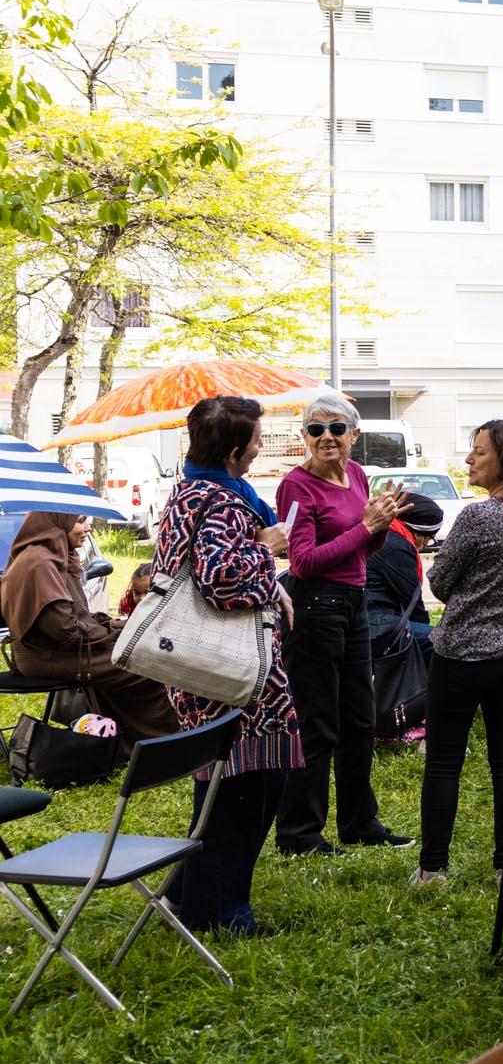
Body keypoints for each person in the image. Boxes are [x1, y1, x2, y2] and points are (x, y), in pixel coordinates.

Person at [155, 395, 302, 937]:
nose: (262, 448)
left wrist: (271, 583)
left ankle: (188, 893)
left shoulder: (189, 491)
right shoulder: (224, 502)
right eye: (258, 440)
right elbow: (221, 580)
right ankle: (219, 912)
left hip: (196, 663)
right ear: (234, 451)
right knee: (245, 789)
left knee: (225, 785)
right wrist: (267, 548)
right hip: (230, 669)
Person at [416, 419, 503, 887]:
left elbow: (440, 583)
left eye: (478, 451)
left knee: (444, 761)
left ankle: (433, 868)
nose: (469, 459)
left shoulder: (478, 517)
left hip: (460, 656)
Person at [275, 391, 410, 856]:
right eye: (316, 429)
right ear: (305, 436)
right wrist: (366, 528)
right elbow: (303, 562)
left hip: (354, 602)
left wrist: (380, 527)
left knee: (359, 719)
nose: (326, 437)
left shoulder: (356, 474)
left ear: (355, 433)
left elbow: (362, 551)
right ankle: (299, 834)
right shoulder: (297, 485)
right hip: (315, 607)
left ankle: (359, 822)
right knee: (317, 722)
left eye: (336, 428)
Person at [0, 511, 178, 745]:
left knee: (146, 651)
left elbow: (75, 616)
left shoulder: (54, 557)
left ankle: (125, 741)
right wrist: (113, 634)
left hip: (61, 649)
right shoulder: (41, 563)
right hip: (51, 656)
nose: (88, 528)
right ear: (58, 523)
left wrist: (113, 624)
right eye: (80, 521)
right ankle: (163, 742)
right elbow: (64, 629)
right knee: (150, 663)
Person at [366, 493, 441, 661]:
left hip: (363, 617)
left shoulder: (382, 533)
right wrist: (424, 628)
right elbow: (412, 603)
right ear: (419, 534)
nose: (424, 546)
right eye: (429, 539)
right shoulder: (397, 546)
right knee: (439, 642)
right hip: (375, 624)